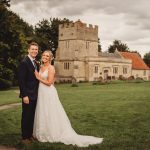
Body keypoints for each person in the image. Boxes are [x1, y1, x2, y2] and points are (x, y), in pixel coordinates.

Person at [33, 50, 103, 147]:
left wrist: (38, 78)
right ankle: (42, 132)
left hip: (48, 92)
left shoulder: (51, 68)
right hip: (41, 92)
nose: (45, 57)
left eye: (47, 56)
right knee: (43, 111)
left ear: (50, 58)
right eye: (44, 55)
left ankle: (53, 133)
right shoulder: (40, 67)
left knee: (51, 112)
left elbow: (49, 83)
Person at [18, 42, 39, 144]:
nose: (34, 51)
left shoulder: (35, 63)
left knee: (32, 116)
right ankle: (25, 137)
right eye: (32, 49)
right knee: (26, 115)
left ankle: (30, 135)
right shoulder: (24, 62)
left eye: (36, 49)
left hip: (35, 94)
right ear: (28, 50)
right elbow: (21, 81)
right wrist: (24, 95)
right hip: (28, 95)